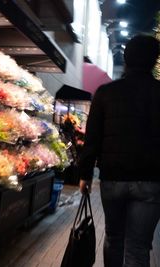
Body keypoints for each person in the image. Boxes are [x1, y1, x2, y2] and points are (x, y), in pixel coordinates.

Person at [78, 35, 160, 267]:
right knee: (138, 246)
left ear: (126, 58)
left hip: (113, 179)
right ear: (154, 60)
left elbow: (92, 138)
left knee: (114, 238)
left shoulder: (106, 92)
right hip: (152, 181)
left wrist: (84, 174)